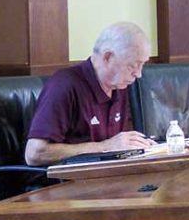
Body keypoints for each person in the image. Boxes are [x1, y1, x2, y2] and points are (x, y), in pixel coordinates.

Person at [25, 22, 155, 166]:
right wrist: (105, 147)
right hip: (63, 182)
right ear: (107, 57)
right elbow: (35, 154)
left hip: (107, 177)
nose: (139, 74)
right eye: (132, 65)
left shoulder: (121, 86)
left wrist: (141, 146)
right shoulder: (64, 85)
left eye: (142, 65)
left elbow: (119, 146)